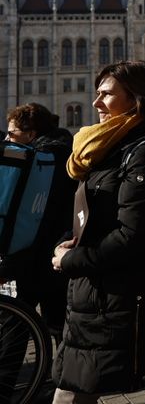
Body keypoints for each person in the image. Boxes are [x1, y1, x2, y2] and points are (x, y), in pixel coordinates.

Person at [50, 61, 145, 402]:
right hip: (102, 296)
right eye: (96, 93)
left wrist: (72, 259)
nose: (96, 103)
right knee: (72, 387)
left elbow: (135, 235)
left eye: (106, 94)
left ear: (136, 100)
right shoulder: (113, 145)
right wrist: (72, 240)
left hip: (134, 300)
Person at [0, 103, 73, 337]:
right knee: (57, 323)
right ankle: (59, 370)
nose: (8, 139)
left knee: (17, 322)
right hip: (57, 250)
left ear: (31, 134)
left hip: (32, 251)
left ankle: (11, 374)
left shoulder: (35, 159)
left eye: (12, 133)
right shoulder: (65, 153)